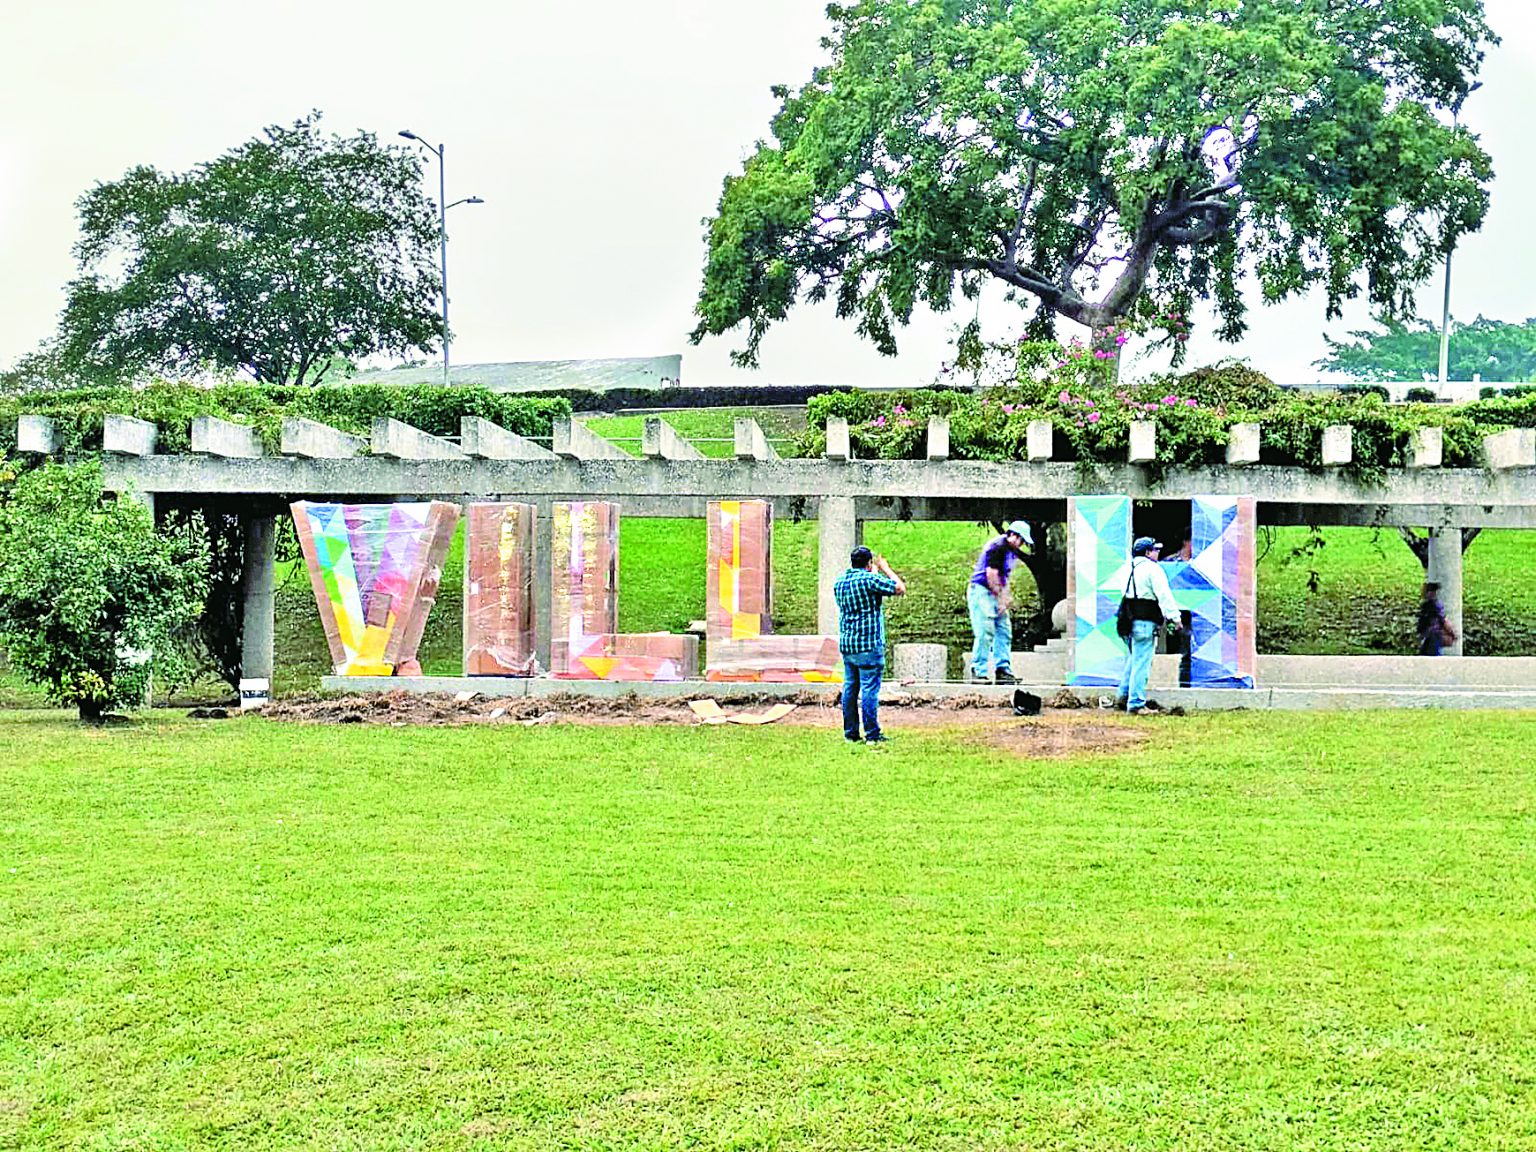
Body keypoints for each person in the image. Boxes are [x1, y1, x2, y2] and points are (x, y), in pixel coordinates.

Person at [833, 545, 906, 743]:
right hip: (869, 644)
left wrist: (872, 572)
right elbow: (899, 588)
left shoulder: (839, 582)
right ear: (869, 563)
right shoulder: (870, 580)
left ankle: (851, 734)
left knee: (850, 688)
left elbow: (865, 586)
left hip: (848, 644)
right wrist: (885, 568)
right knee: (869, 690)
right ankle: (872, 734)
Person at [1117, 537, 1182, 715]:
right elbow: (1164, 595)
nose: (1157, 553)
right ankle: (1136, 703)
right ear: (1147, 552)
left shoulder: (1127, 568)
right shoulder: (1153, 570)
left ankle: (1123, 695)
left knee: (1133, 658)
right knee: (1142, 663)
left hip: (1127, 621)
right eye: (1155, 550)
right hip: (1145, 621)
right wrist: (1175, 618)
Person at [967, 520, 1032, 684]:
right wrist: (1000, 597)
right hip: (982, 590)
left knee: (1004, 630)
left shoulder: (1011, 551)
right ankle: (978, 671)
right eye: (1021, 540)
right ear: (1013, 535)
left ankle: (1003, 670)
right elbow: (991, 574)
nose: (1021, 544)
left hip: (995, 591)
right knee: (985, 631)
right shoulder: (998, 547)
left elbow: (1005, 577)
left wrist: (1006, 598)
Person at [1417, 581, 1457, 655]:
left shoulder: (1433, 605)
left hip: (1433, 635)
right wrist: (1452, 633)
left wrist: (1451, 632)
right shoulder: (1428, 605)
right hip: (1430, 635)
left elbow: (1442, 620)